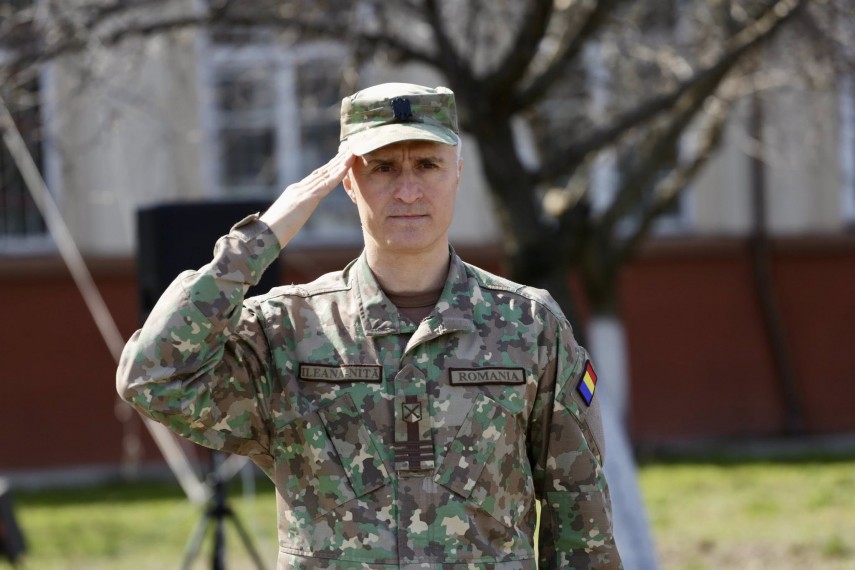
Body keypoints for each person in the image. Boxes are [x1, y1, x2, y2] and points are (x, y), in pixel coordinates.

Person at [117, 82, 622, 569]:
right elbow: (153, 377)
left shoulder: (529, 324)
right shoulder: (288, 329)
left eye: (427, 164)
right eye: (382, 168)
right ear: (349, 182)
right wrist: (260, 240)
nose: (407, 190)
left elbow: (579, 515)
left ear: (457, 173)